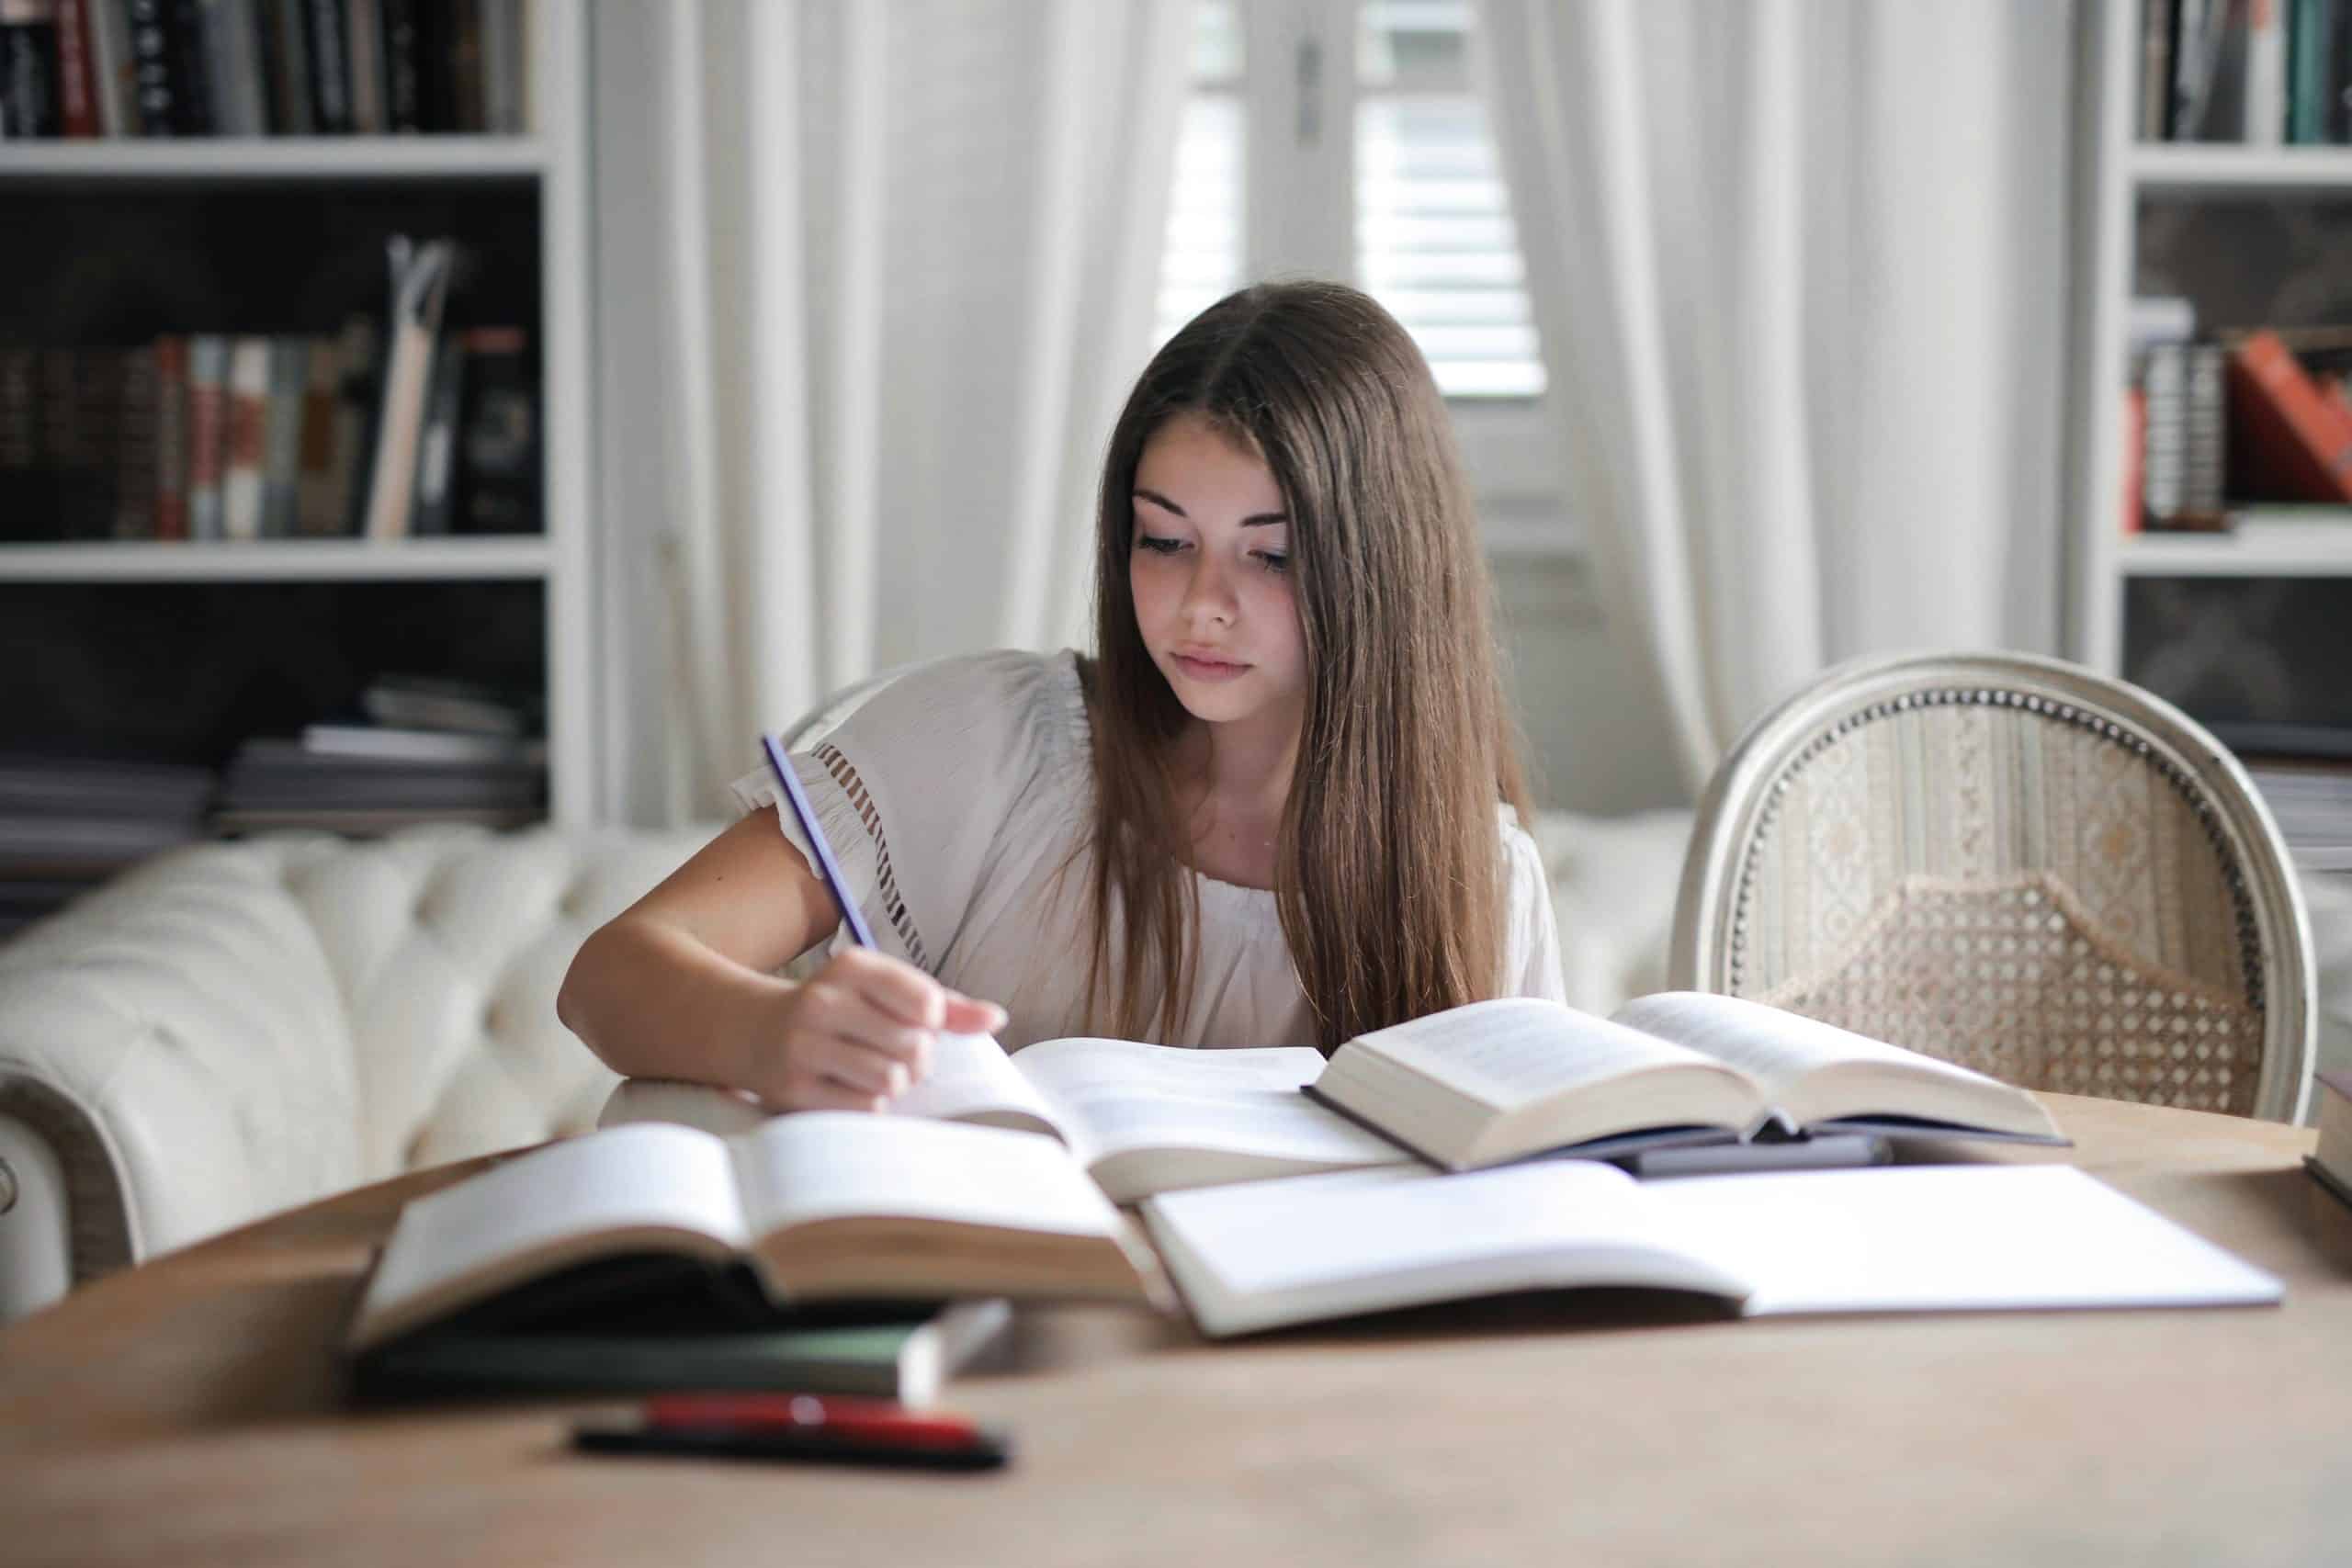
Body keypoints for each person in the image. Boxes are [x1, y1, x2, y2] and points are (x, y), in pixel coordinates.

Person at [557, 279, 1566, 1111]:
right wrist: (771, 1032)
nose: (1200, 606)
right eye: (1163, 541)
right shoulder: (990, 744)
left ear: (1380, 571)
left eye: (1270, 558)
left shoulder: (1475, 878)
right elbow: (609, 977)